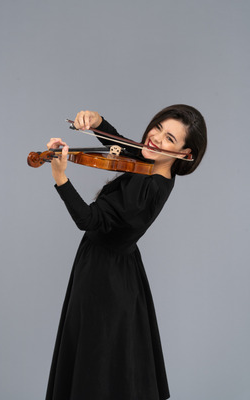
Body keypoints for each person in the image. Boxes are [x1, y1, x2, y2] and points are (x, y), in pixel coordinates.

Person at [45, 105, 207, 400]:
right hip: (119, 271)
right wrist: (96, 121)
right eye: (157, 127)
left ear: (185, 154)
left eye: (170, 138)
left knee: (97, 365)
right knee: (105, 362)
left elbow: (89, 220)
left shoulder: (148, 193)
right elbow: (120, 144)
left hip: (105, 280)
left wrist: (60, 177)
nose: (155, 138)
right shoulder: (151, 162)